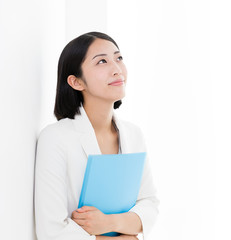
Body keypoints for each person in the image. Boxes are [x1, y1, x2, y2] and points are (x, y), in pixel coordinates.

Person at [34, 32, 159, 240]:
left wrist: (110, 223)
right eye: (102, 61)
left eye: (119, 58)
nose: (117, 69)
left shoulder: (133, 134)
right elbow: (52, 231)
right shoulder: (55, 138)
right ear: (76, 82)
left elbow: (150, 204)